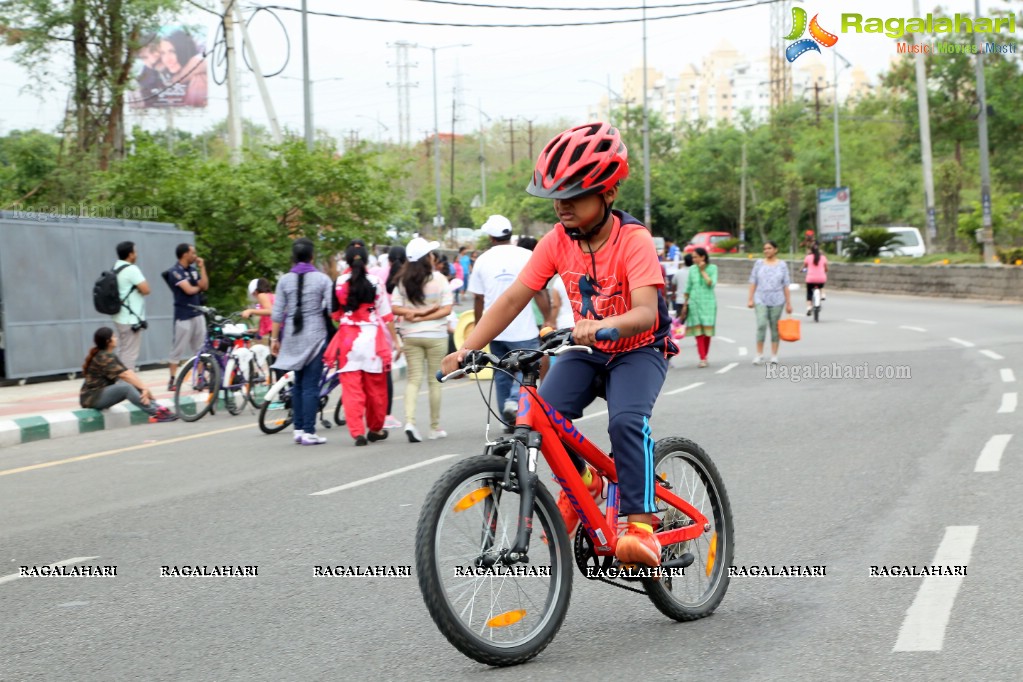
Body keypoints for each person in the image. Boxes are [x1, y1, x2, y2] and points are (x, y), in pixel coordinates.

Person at [442, 122, 678, 568]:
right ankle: (585, 480)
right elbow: (514, 297)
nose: (562, 205)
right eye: (555, 196)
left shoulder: (634, 240)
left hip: (639, 349)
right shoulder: (555, 241)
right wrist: (468, 346)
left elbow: (646, 312)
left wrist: (604, 325)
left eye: (574, 195)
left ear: (607, 193)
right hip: (585, 348)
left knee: (626, 421)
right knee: (541, 420)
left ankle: (642, 526)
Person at [468, 215, 552, 430]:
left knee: (501, 372)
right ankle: (515, 404)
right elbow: (539, 291)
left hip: (495, 329)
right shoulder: (526, 255)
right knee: (527, 369)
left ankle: (508, 420)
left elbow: (478, 298)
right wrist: (548, 318)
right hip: (523, 328)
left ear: (490, 236)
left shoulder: (482, 259)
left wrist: (480, 328)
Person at [325, 242, 400, 446]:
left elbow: (335, 314)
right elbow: (386, 314)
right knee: (376, 390)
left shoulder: (338, 282)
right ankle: (375, 429)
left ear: (347, 260)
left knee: (351, 390)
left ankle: (357, 432)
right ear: (366, 260)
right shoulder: (376, 282)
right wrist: (396, 341)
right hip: (372, 342)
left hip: (347, 342)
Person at [270, 238, 334, 446]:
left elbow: (278, 314)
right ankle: (309, 430)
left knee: (297, 384)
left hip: (291, 336)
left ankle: (298, 429)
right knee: (310, 386)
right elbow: (333, 310)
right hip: (315, 335)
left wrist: (274, 339)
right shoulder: (323, 279)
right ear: (312, 256)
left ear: (293, 257)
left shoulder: (284, 280)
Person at [390, 237, 454, 442]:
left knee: (413, 380)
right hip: (436, 335)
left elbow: (394, 306)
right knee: (434, 382)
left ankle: (410, 422)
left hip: (411, 335)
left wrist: (414, 315)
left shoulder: (402, 280)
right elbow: (447, 309)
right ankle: (434, 428)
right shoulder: (439, 279)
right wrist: (427, 315)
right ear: (427, 257)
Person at [80, 327, 176, 422]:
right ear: (108, 341)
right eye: (114, 336)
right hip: (91, 398)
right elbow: (124, 375)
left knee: (133, 384)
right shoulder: (103, 357)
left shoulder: (109, 355)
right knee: (126, 388)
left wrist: (144, 388)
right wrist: (144, 388)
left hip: (99, 395)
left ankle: (158, 408)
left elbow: (129, 373)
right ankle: (155, 412)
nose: (116, 338)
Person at [167, 243, 209, 390]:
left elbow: (205, 285)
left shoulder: (193, 270)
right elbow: (189, 290)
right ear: (185, 254)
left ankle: (200, 378)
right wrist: (198, 288)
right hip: (183, 315)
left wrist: (202, 267)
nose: (195, 256)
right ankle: (172, 380)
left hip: (197, 314)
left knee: (200, 348)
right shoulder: (175, 271)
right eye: (193, 253)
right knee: (178, 348)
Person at [747, 240, 793, 365]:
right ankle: (759, 354)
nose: (766, 251)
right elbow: (753, 282)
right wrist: (750, 299)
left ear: (775, 250)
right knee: (761, 324)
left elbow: (786, 285)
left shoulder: (782, 265)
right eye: (765, 249)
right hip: (760, 298)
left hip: (777, 299)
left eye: (769, 248)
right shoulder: (759, 264)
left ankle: (774, 355)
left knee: (774, 327)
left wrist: (788, 303)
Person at [111, 241, 150, 372]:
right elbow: (146, 289)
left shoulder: (116, 267)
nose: (136, 254)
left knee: (123, 350)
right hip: (130, 319)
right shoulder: (131, 269)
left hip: (119, 316)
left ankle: (118, 382)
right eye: (135, 251)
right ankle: (125, 386)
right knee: (130, 354)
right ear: (130, 254)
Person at [683, 247, 718, 368]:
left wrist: (703, 271)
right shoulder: (692, 269)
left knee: (706, 332)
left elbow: (711, 283)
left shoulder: (713, 268)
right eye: (692, 257)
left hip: (708, 303)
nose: (693, 259)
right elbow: (688, 286)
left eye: (695, 257)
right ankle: (702, 358)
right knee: (698, 332)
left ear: (703, 257)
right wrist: (685, 304)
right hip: (694, 303)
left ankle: (705, 355)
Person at [159, 30, 207, 107]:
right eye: (163, 53)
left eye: (172, 52)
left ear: (182, 50)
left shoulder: (198, 81)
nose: (167, 59)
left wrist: (175, 80)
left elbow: (201, 61)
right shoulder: (165, 76)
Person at [803, 243, 829, 314]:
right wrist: (825, 270)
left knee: (809, 291)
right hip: (821, 278)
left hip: (810, 279)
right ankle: (823, 294)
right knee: (822, 285)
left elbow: (805, 266)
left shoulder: (808, 257)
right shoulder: (823, 257)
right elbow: (826, 268)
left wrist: (802, 269)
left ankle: (809, 307)